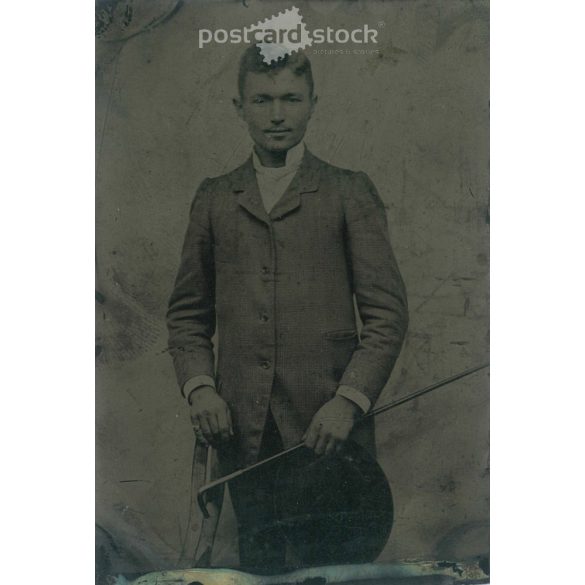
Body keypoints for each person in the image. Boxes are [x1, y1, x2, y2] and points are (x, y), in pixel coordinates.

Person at [166, 45, 408, 573]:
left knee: (332, 573)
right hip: (243, 438)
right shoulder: (214, 198)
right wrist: (201, 387)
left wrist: (347, 402)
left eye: (291, 99)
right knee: (259, 571)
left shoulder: (348, 192)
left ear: (313, 103)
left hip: (328, 437)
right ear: (240, 107)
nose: (277, 114)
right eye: (263, 99)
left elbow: (387, 317)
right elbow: (186, 316)